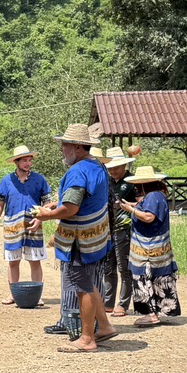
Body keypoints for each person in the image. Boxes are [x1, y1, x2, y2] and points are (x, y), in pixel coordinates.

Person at [31, 123, 114, 354]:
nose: (62, 149)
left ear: (77, 146)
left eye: (65, 145)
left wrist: (46, 214)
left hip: (80, 239)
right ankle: (104, 326)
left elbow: (71, 209)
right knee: (90, 283)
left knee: (82, 286)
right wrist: (58, 204)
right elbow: (84, 199)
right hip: (97, 236)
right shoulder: (96, 166)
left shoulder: (77, 172)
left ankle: (87, 339)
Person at [119, 165, 181, 324]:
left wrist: (130, 210)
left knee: (144, 278)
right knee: (157, 278)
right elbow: (146, 208)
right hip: (156, 247)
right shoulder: (156, 195)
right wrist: (132, 205)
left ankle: (152, 314)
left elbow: (148, 216)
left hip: (148, 249)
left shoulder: (153, 196)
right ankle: (158, 312)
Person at [0, 145, 50, 304]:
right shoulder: (6, 181)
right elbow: (0, 203)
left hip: (33, 224)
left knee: (35, 261)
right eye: (24, 160)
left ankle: (37, 296)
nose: (28, 163)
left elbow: (47, 202)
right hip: (12, 225)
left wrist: (41, 218)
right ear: (16, 162)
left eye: (29, 160)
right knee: (13, 261)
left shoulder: (39, 179)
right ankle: (13, 294)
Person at [103, 148, 136, 317]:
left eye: (116, 167)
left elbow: (142, 202)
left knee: (124, 268)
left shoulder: (132, 182)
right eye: (110, 167)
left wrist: (126, 205)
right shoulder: (107, 181)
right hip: (108, 228)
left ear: (124, 165)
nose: (113, 170)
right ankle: (107, 303)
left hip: (125, 228)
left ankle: (123, 303)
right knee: (108, 268)